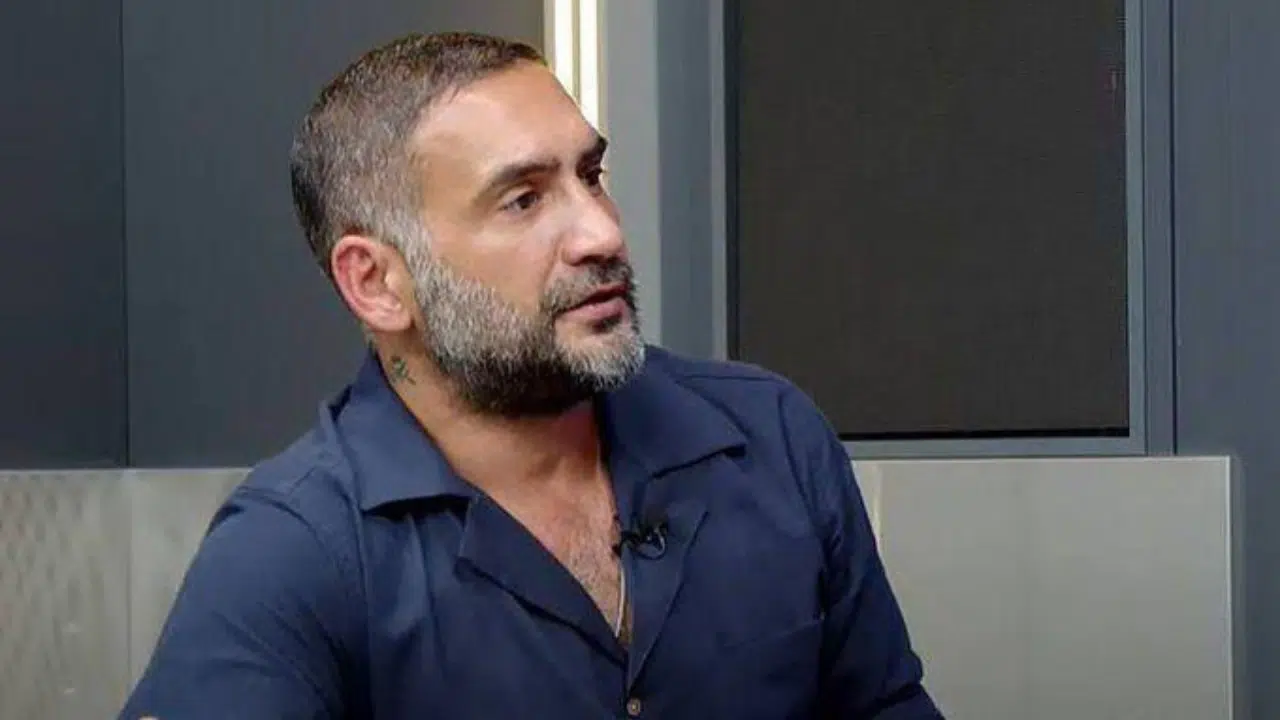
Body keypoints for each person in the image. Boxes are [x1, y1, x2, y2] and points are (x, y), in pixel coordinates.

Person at [119, 31, 942, 719]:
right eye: (523, 199)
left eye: (591, 176)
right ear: (377, 283)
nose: (601, 233)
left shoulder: (770, 437)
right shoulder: (290, 553)